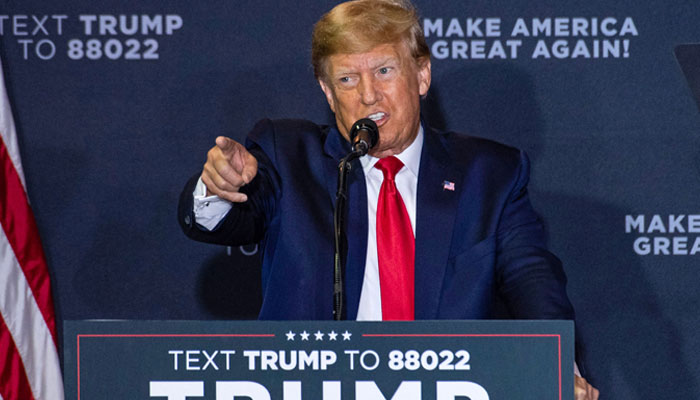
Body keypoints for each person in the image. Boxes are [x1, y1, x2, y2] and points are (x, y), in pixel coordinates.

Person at [178, 0, 599, 398]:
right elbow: (224, 221)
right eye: (347, 79)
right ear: (327, 92)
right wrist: (219, 185)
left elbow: (532, 279)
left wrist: (559, 365)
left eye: (383, 71)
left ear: (421, 76)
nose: (368, 95)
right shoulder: (289, 156)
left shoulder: (489, 173)